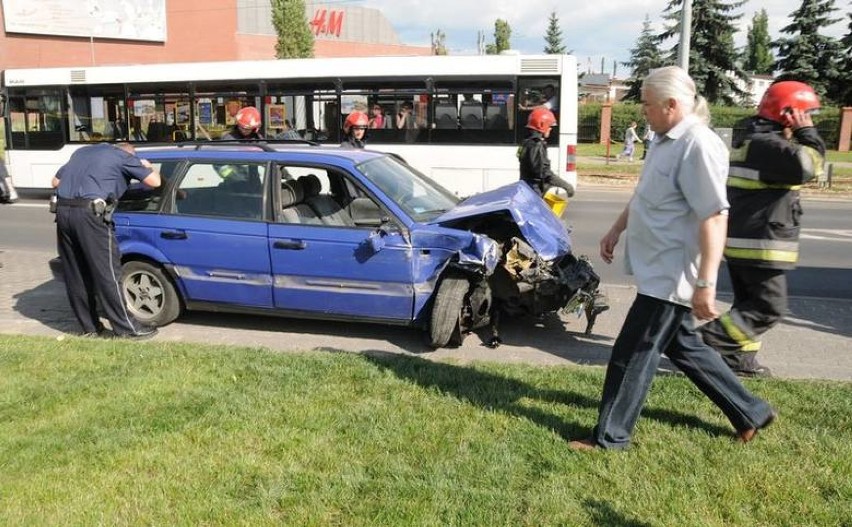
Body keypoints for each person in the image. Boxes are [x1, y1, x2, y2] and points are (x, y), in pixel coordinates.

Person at [569, 66, 775, 451]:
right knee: (685, 347)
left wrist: (705, 283)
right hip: (656, 269)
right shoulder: (665, 140)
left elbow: (714, 215)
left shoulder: (699, 144)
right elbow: (646, 195)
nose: (643, 111)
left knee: (632, 354)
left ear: (671, 104)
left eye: (648, 104)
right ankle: (751, 412)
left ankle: (610, 437)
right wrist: (616, 229)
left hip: (673, 274)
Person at [700, 81, 826, 378]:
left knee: (747, 305)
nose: (810, 121)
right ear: (789, 114)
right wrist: (807, 134)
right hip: (762, 241)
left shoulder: (755, 139)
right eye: (806, 115)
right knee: (769, 307)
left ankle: (739, 361)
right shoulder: (768, 145)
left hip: (750, 238)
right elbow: (811, 167)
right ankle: (700, 342)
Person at [52, 143, 162, 339]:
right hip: (90, 215)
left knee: (76, 273)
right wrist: (146, 166)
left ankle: (90, 329)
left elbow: (55, 182)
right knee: (108, 272)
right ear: (130, 154)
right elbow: (154, 182)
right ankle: (128, 330)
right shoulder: (123, 156)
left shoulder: (82, 152)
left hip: (63, 212)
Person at [517, 107, 575, 197]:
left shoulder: (527, 141)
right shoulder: (536, 144)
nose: (551, 129)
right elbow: (543, 173)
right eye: (550, 126)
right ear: (541, 125)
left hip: (527, 188)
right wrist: (566, 187)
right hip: (533, 191)